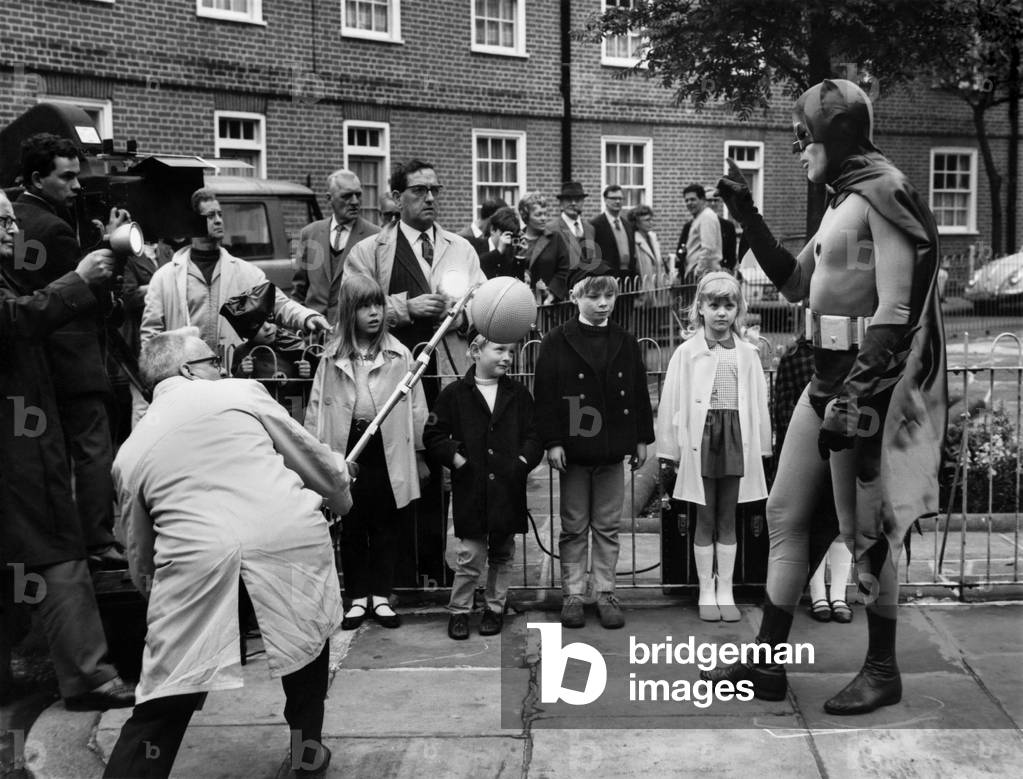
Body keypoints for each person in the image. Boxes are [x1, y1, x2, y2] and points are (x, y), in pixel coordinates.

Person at [702, 79, 947, 715]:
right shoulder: (842, 202)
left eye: (804, 131)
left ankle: (883, 668)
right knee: (785, 517)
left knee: (865, 532)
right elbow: (792, 283)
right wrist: (747, 216)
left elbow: (896, 307)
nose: (795, 144)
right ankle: (766, 666)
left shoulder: (884, 193)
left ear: (834, 134)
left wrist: (858, 393)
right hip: (824, 380)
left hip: (863, 387)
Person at [105, 327, 354, 778]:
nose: (222, 368)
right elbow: (311, 458)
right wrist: (340, 490)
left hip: (195, 559)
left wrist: (158, 600)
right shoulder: (242, 392)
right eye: (212, 362)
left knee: (167, 690)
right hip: (285, 535)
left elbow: (138, 551)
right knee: (306, 649)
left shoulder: (129, 452)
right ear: (188, 370)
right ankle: (306, 749)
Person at [0, 191, 134, 711]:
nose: (14, 231)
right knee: (58, 552)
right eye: (4, 223)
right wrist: (78, 278)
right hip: (20, 451)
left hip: (24, 441)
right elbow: (16, 320)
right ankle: (89, 678)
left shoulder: (9, 275)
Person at [2, 133, 131, 569]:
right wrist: (110, 245)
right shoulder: (54, 228)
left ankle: (62, 540)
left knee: (48, 457)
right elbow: (83, 286)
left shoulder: (15, 218)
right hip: (72, 354)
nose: (77, 187)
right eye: (68, 177)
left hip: (33, 360)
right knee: (94, 448)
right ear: (38, 178)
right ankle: (98, 542)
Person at [304, 275, 428, 630]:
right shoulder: (332, 356)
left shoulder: (399, 353)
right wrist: (315, 458)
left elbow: (416, 406)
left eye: (378, 305)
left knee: (386, 521)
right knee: (352, 521)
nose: (374, 313)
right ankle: (357, 595)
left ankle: (381, 594)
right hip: (347, 446)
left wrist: (419, 452)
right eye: (364, 307)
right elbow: (317, 407)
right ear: (349, 311)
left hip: (386, 446)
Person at [533, 275, 654, 630]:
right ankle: (572, 592)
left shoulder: (625, 341)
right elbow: (546, 395)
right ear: (574, 297)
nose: (603, 303)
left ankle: (604, 591)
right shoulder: (557, 341)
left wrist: (641, 438)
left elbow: (638, 391)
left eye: (609, 296)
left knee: (607, 524)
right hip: (573, 447)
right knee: (573, 525)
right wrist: (552, 441)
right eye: (594, 296)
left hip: (612, 447)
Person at [656, 272, 771, 622]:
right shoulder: (687, 352)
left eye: (729, 305)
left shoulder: (748, 354)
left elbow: (757, 403)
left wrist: (763, 448)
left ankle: (727, 588)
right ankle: (706, 589)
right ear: (700, 309)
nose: (721, 313)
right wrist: (669, 451)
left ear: (738, 309)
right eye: (714, 305)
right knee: (703, 517)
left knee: (729, 516)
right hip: (701, 438)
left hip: (736, 435)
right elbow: (671, 400)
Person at [423, 333, 543, 640]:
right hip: (471, 489)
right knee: (470, 556)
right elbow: (433, 435)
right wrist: (458, 459)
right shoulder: (454, 394)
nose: (507, 357)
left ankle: (495, 607)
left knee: (503, 553)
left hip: (507, 488)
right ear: (476, 351)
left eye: (511, 352)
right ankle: (459, 610)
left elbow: (534, 435)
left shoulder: (518, 394)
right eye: (499, 349)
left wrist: (521, 462)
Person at [344, 159, 485, 404]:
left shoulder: (462, 248)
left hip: (450, 374)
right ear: (398, 198)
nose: (430, 198)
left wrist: (461, 318)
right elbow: (351, 311)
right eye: (419, 190)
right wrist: (406, 308)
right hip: (392, 377)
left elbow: (483, 301)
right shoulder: (367, 252)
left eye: (434, 190)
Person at [140, 188, 329, 358]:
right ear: (192, 223)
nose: (219, 220)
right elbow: (150, 335)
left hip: (233, 372)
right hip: (186, 375)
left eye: (220, 214)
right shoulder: (165, 277)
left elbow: (278, 303)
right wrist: (158, 376)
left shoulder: (244, 272)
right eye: (211, 216)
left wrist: (308, 317)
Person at [291, 169, 379, 325]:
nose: (354, 201)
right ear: (329, 198)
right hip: (315, 333)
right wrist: (301, 323)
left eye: (358, 195)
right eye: (346, 196)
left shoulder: (375, 237)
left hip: (353, 333)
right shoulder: (309, 234)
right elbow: (299, 290)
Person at [546, 182, 607, 288]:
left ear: (583, 203)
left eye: (578, 199)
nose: (573, 203)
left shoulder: (590, 228)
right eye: (569, 200)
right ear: (561, 204)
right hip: (563, 290)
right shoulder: (551, 228)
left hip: (587, 289)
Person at [515, 192, 572, 304]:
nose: (543, 218)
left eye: (545, 214)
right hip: (519, 304)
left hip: (548, 304)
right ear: (526, 216)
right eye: (538, 214)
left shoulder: (555, 238)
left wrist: (552, 294)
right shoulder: (516, 240)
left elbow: (564, 270)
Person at [626, 204, 673, 309]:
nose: (651, 223)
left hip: (658, 290)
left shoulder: (653, 238)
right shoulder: (633, 240)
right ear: (636, 223)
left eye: (651, 219)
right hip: (643, 292)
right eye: (647, 220)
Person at [590, 184, 636, 280]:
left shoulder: (628, 225)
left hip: (628, 278)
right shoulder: (595, 225)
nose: (617, 201)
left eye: (620, 198)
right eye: (613, 198)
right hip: (607, 277)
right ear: (605, 200)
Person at [680, 184, 723, 283]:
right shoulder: (699, 217)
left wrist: (698, 272)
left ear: (703, 200)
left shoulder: (706, 217)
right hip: (701, 274)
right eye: (686, 200)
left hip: (704, 276)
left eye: (693, 199)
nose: (689, 203)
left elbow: (708, 249)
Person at [479, 206, 527, 282]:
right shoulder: (477, 246)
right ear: (492, 230)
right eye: (506, 235)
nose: (508, 240)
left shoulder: (511, 253)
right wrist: (498, 251)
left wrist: (520, 256)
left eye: (511, 235)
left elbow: (518, 283)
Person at [708, 188, 738, 273]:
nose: (713, 203)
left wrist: (727, 268)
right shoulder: (693, 225)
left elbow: (732, 254)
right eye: (709, 200)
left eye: (716, 200)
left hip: (721, 272)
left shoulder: (728, 226)